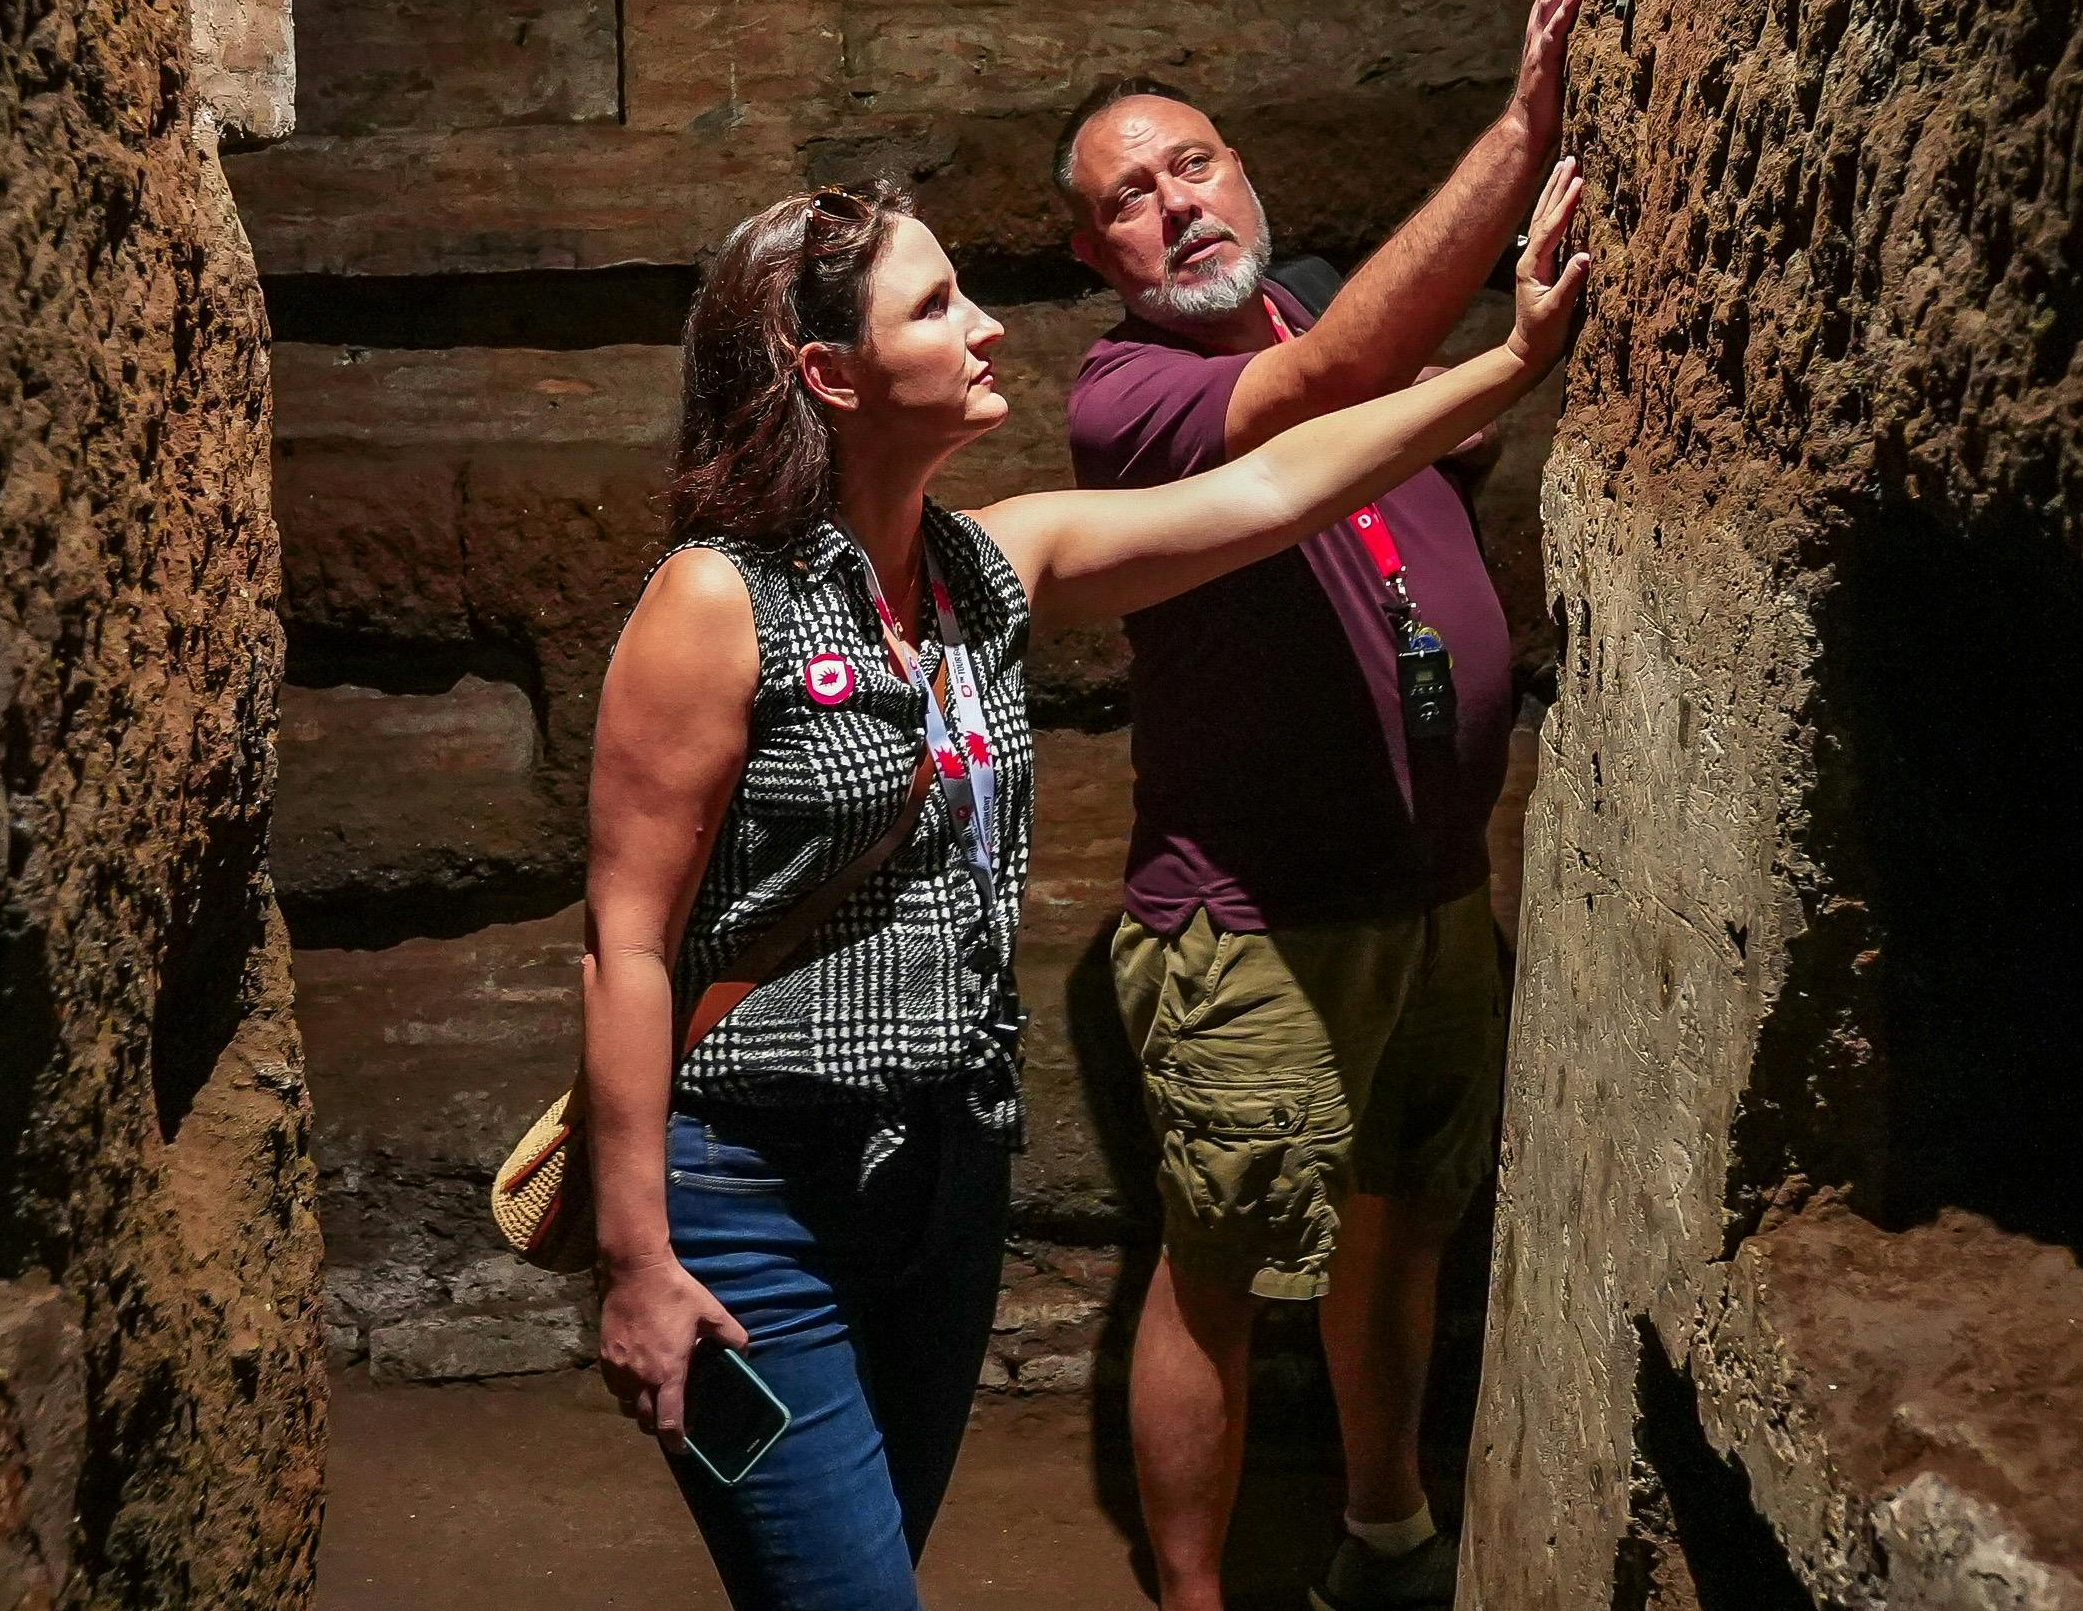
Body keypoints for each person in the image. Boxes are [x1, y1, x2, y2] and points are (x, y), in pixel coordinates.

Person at [582, 166, 1592, 1611]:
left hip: (944, 1175)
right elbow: (626, 944)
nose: (987, 326)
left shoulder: (987, 567)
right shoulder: (717, 602)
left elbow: (1273, 487)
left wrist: (1512, 361)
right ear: (831, 374)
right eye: (937, 307)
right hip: (759, 1195)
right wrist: (635, 1255)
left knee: (869, 1564)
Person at [1057, 0, 1588, 1611]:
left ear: (1246, 174)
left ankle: (1387, 1532)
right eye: (1128, 198)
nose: (1174, 204)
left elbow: (1395, 402)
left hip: (1431, 893)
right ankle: (1196, 1601)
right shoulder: (1129, 398)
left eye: (1193, 163)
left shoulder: (1298, 310)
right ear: (1100, 260)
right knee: (1216, 1272)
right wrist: (1524, 129)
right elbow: (1354, 375)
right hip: (1255, 923)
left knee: (1401, 1221)